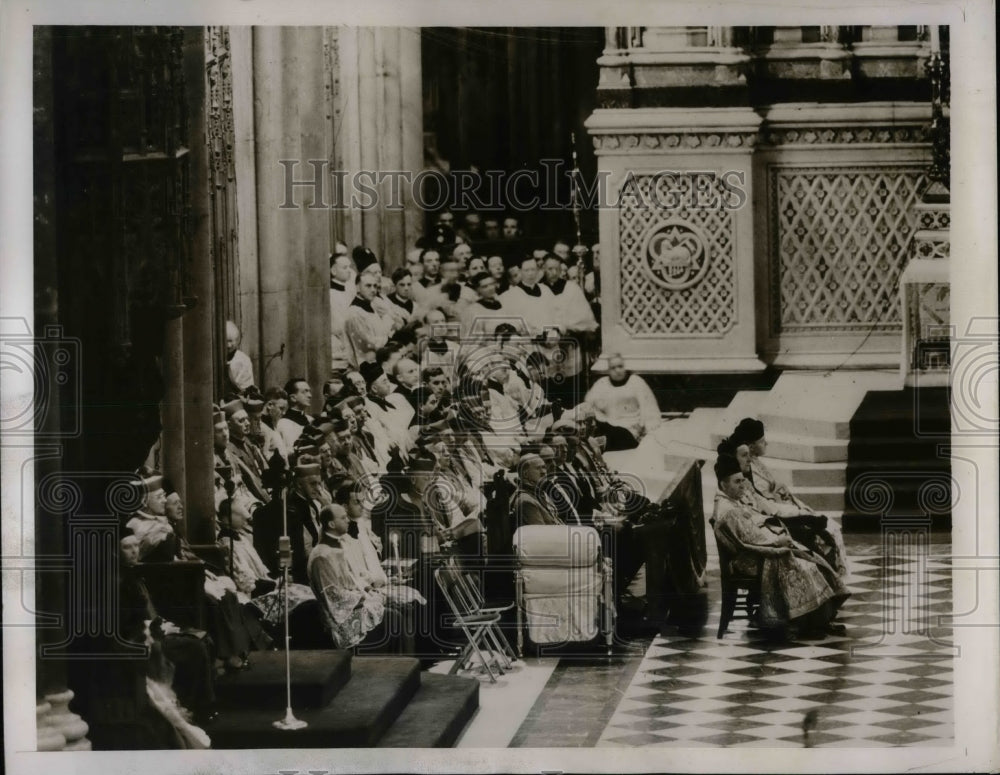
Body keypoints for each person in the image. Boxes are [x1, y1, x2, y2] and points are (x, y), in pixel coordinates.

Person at [712, 455, 849, 638]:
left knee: (812, 558)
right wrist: (778, 541)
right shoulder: (727, 510)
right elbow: (750, 539)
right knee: (805, 567)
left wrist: (778, 536)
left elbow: (752, 527)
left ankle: (821, 621)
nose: (742, 486)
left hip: (760, 548)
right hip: (752, 558)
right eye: (737, 482)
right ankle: (807, 626)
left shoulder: (730, 502)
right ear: (723, 485)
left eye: (742, 481)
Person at [307, 503, 386, 649]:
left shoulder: (340, 546)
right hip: (341, 620)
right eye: (343, 518)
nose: (348, 520)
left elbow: (353, 580)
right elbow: (334, 597)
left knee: (398, 609)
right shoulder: (321, 556)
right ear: (331, 524)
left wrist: (369, 590)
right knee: (394, 619)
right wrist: (365, 598)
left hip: (356, 605)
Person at [584, 354, 662, 451]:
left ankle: (598, 444)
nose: (617, 370)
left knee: (616, 435)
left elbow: (648, 407)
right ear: (608, 370)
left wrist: (644, 427)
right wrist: (600, 416)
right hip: (609, 424)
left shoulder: (636, 382)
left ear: (624, 367)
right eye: (613, 368)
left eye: (620, 366)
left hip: (630, 429)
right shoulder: (602, 383)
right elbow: (588, 404)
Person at [344, 270, 394, 367]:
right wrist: (389, 338)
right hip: (364, 366)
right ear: (358, 287)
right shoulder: (355, 313)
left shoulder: (371, 307)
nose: (373, 290)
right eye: (368, 286)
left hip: (377, 362)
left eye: (375, 286)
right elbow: (369, 343)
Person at [511, 453, 564, 531]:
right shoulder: (526, 501)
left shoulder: (538, 494)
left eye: (544, 467)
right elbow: (540, 536)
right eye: (538, 468)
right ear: (525, 474)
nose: (543, 472)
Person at [329, 245, 356, 367]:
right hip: (339, 343)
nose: (349, 270)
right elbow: (338, 325)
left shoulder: (350, 291)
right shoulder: (330, 294)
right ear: (333, 271)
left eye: (349, 266)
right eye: (345, 267)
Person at [276, 378, 315, 450]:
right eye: (305, 392)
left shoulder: (311, 420)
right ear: (293, 398)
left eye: (309, 391)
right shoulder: (282, 424)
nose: (310, 395)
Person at [224, 321, 255, 395]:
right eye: (226, 341)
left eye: (231, 341)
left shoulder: (243, 360)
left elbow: (246, 387)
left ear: (236, 340)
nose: (229, 345)